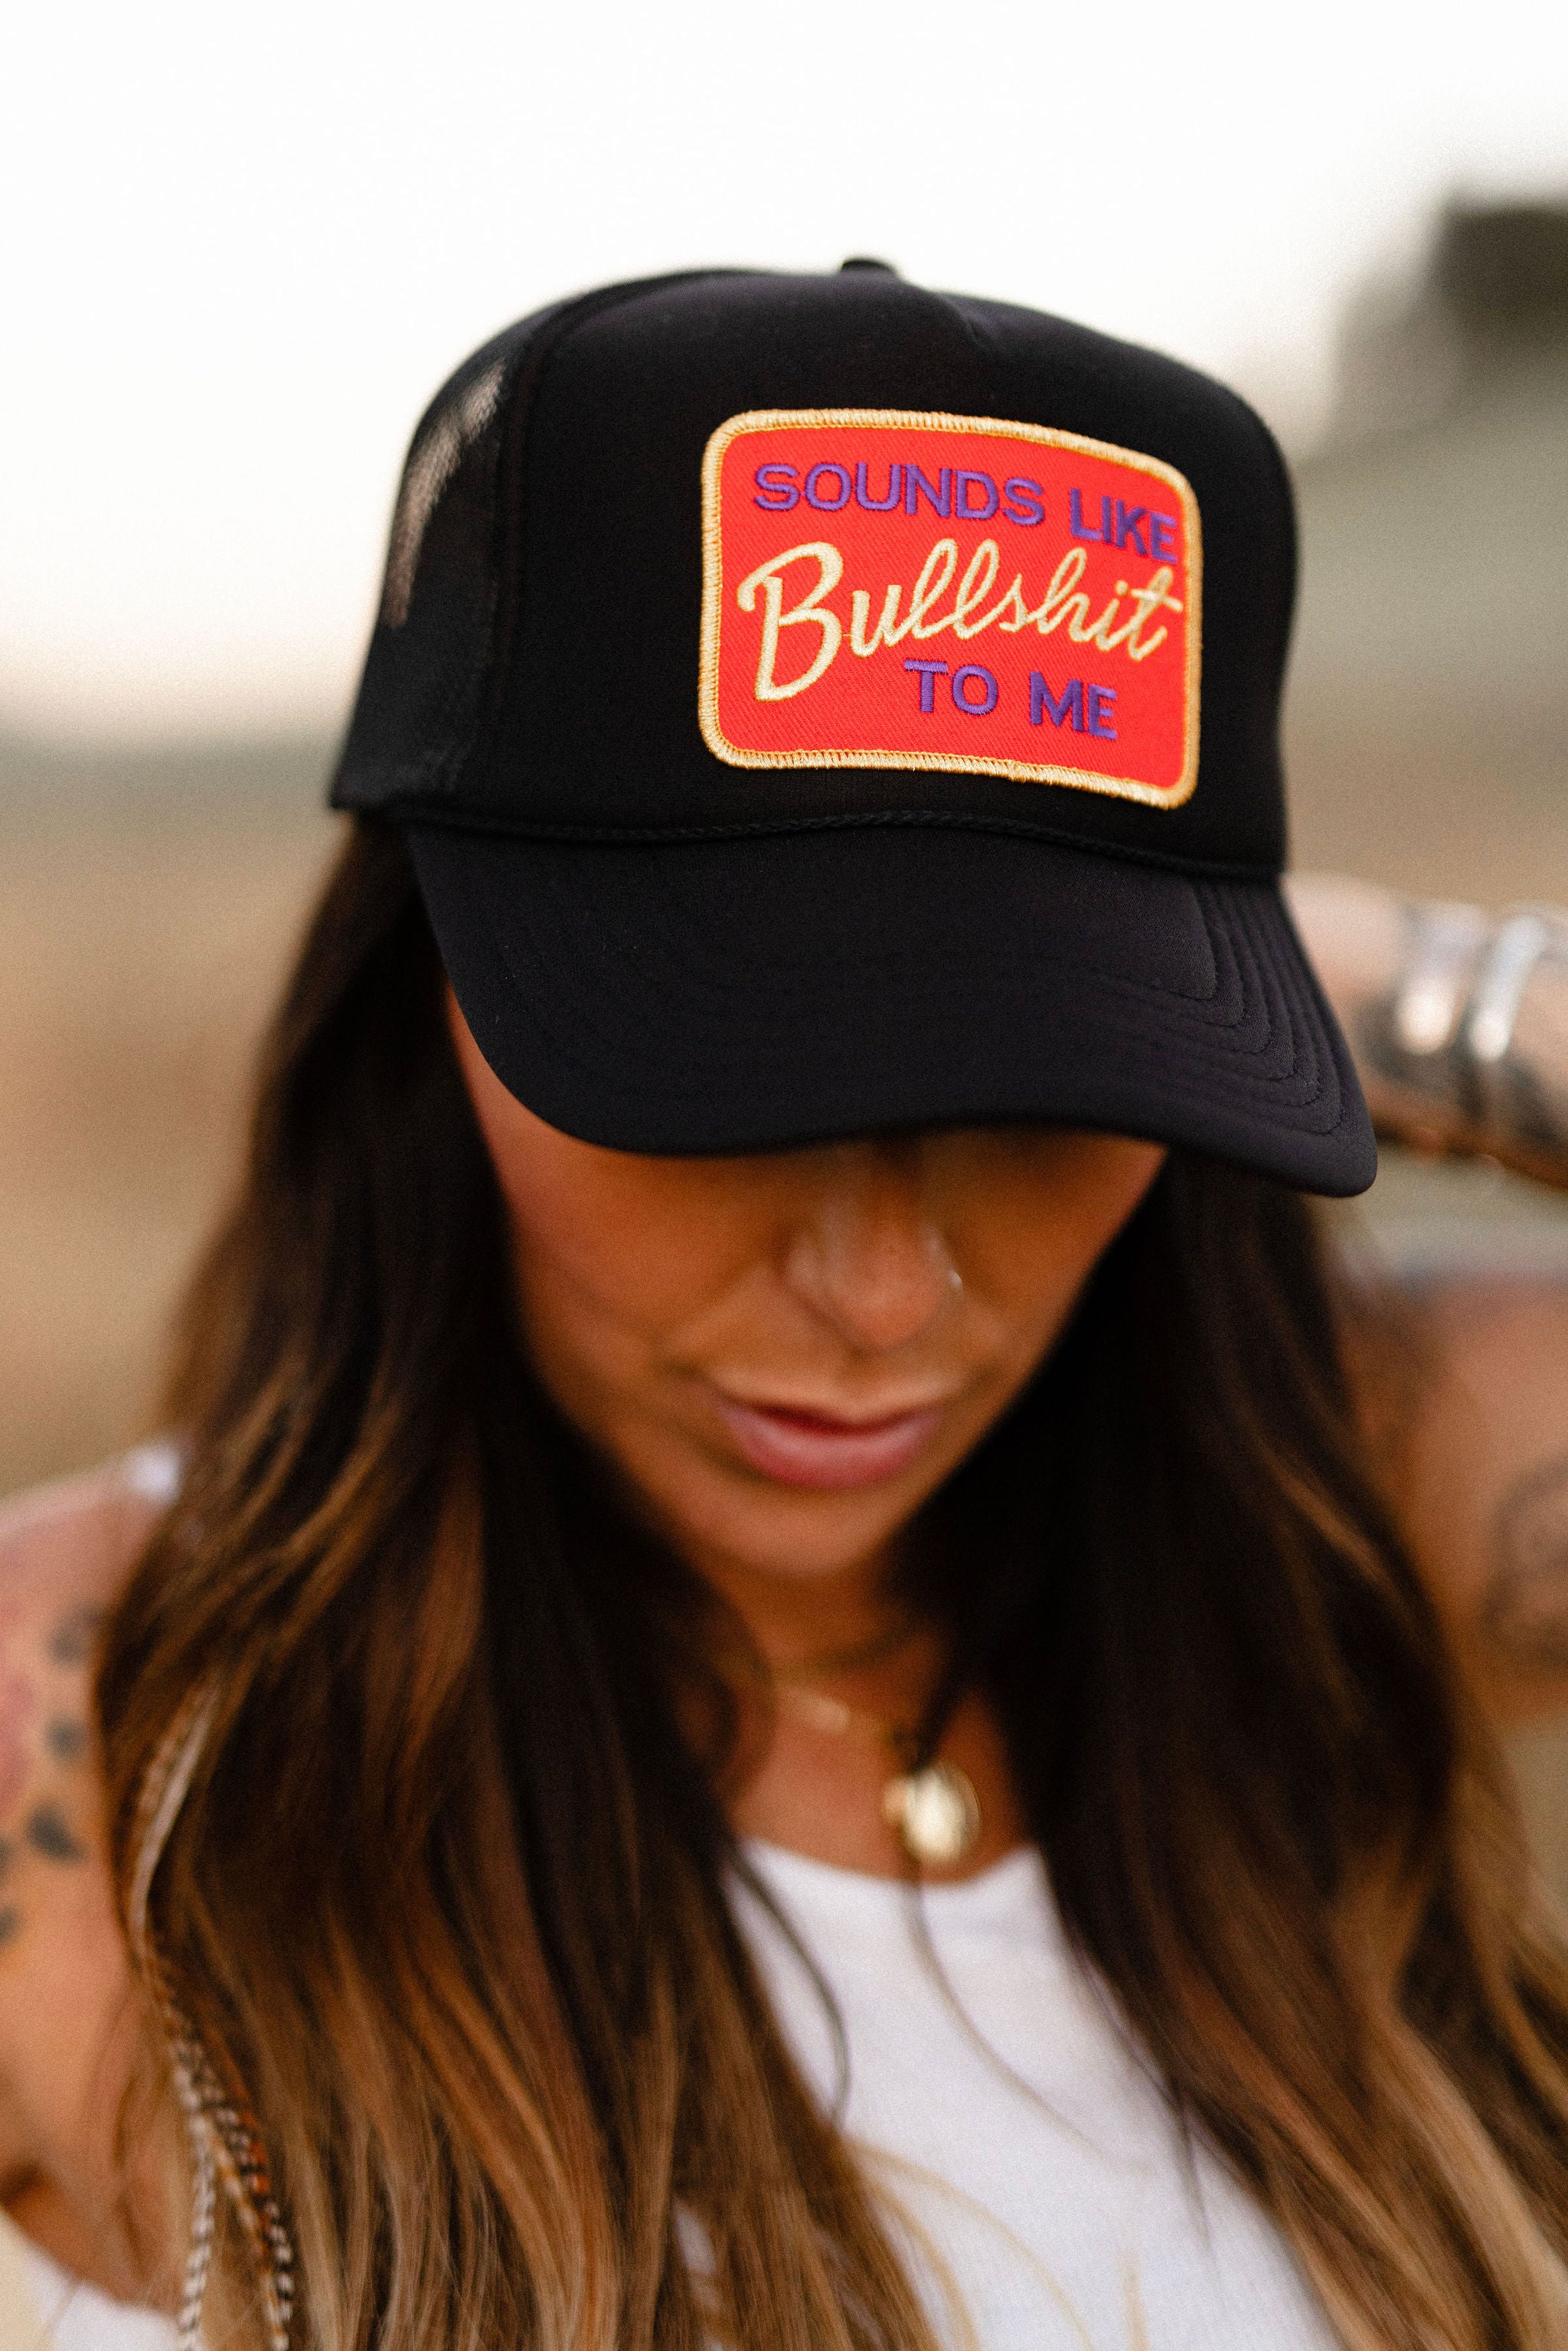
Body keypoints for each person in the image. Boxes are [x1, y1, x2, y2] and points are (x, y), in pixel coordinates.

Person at [2, 263, 1566, 2351]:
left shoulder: (1321, 1508)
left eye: (1044, 1099)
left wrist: (1324, 974)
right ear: (431, 986)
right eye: (718, 1089)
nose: (885, 1295)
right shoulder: (88, 1732)